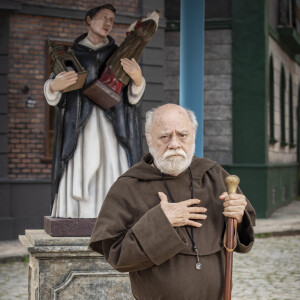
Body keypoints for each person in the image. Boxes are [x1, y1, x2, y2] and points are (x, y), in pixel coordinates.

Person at [89, 104, 256, 300]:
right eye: (164, 136)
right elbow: (118, 257)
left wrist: (238, 216)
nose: (174, 144)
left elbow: (241, 240)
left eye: (182, 135)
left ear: (193, 135)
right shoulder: (128, 187)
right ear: (149, 139)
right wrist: (161, 221)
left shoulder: (215, 175)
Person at [44, 4, 146, 218]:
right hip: (81, 125)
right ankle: (76, 214)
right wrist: (54, 86)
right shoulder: (73, 54)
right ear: (89, 20)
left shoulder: (120, 54)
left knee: (111, 165)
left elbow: (132, 96)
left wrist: (137, 79)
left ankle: (111, 215)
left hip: (112, 124)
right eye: (103, 17)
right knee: (82, 164)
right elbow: (56, 91)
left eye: (112, 19)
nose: (108, 23)